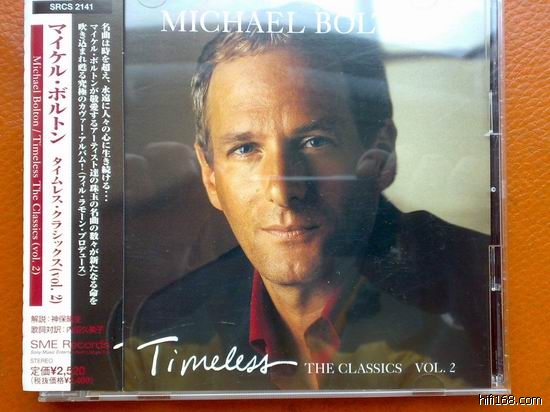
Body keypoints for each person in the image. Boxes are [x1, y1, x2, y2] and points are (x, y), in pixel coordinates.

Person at [122, 28, 490, 391]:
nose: (283, 191)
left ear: (381, 155)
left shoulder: (491, 296)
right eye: (245, 149)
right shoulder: (160, 331)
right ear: (209, 175)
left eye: (315, 141)